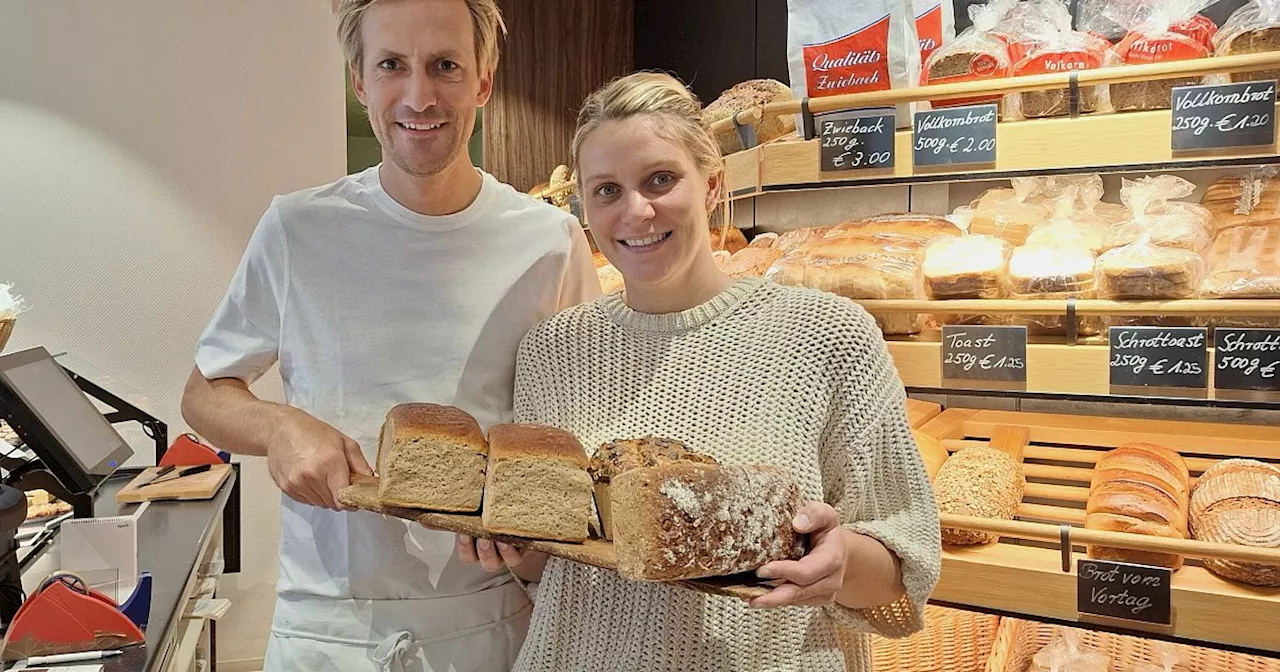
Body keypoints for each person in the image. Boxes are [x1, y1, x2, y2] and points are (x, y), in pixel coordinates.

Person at [458, 71, 942, 671]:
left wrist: (839, 561)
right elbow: (556, 559)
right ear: (583, 205)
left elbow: (904, 566)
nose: (636, 211)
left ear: (712, 184)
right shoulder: (552, 350)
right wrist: (508, 543)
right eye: (606, 190)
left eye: (660, 179)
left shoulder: (827, 335)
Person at [180, 0, 600, 669]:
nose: (418, 96)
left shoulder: (549, 241)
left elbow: (583, 428)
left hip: (490, 618)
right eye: (391, 66)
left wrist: (535, 540)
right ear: (359, 82)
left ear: (483, 80)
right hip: (328, 625)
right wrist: (279, 427)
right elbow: (205, 393)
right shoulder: (297, 229)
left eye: (444, 66)